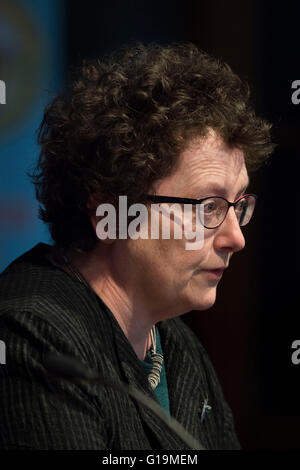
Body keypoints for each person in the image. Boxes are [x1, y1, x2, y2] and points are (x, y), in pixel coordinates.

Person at [0, 42, 274, 450]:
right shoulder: (32, 337)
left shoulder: (177, 345)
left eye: (237, 205)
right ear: (111, 207)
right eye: (208, 206)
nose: (236, 237)